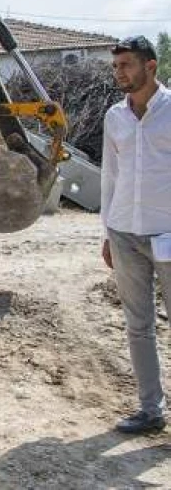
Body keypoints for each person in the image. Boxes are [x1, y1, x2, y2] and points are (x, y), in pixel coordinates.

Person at [101, 35, 171, 434]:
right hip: (124, 231)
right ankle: (151, 409)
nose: (119, 72)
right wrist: (107, 233)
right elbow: (111, 175)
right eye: (116, 66)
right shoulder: (115, 116)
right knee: (138, 325)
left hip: (168, 230)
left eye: (126, 64)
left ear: (150, 67)